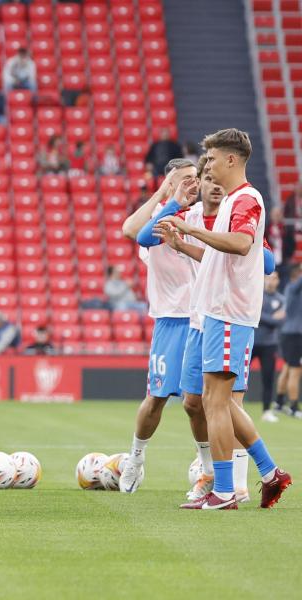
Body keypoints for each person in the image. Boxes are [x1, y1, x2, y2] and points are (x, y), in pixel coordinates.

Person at [155, 127, 291, 510]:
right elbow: (222, 258)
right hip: (210, 312)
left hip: (229, 314)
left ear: (231, 159)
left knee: (219, 402)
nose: (207, 165)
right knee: (209, 401)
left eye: (212, 158)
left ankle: (227, 491)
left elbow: (243, 244)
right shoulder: (233, 200)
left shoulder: (247, 199)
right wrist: (182, 246)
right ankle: (268, 474)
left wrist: (189, 227)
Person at [117, 158, 203, 493]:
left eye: (195, 178)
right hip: (170, 320)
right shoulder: (158, 218)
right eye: (185, 179)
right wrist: (166, 196)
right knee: (156, 397)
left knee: (199, 403)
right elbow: (132, 232)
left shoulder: (198, 217)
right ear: (169, 184)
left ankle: (205, 465)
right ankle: (136, 459)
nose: (192, 184)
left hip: (201, 318)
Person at [254, 272, 285, 422]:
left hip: (270, 344)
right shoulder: (257, 295)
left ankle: (266, 411)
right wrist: (272, 317)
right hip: (252, 341)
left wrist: (268, 318)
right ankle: (236, 406)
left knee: (268, 378)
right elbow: (256, 315)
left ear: (278, 281)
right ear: (264, 279)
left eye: (274, 278)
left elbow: (281, 321)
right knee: (239, 375)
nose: (271, 281)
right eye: (269, 277)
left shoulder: (281, 299)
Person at [278, 273, 302, 418]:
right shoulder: (294, 288)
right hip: (295, 335)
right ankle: (293, 407)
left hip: (289, 333)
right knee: (295, 371)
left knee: (287, 369)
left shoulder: (290, 290)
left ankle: (279, 402)